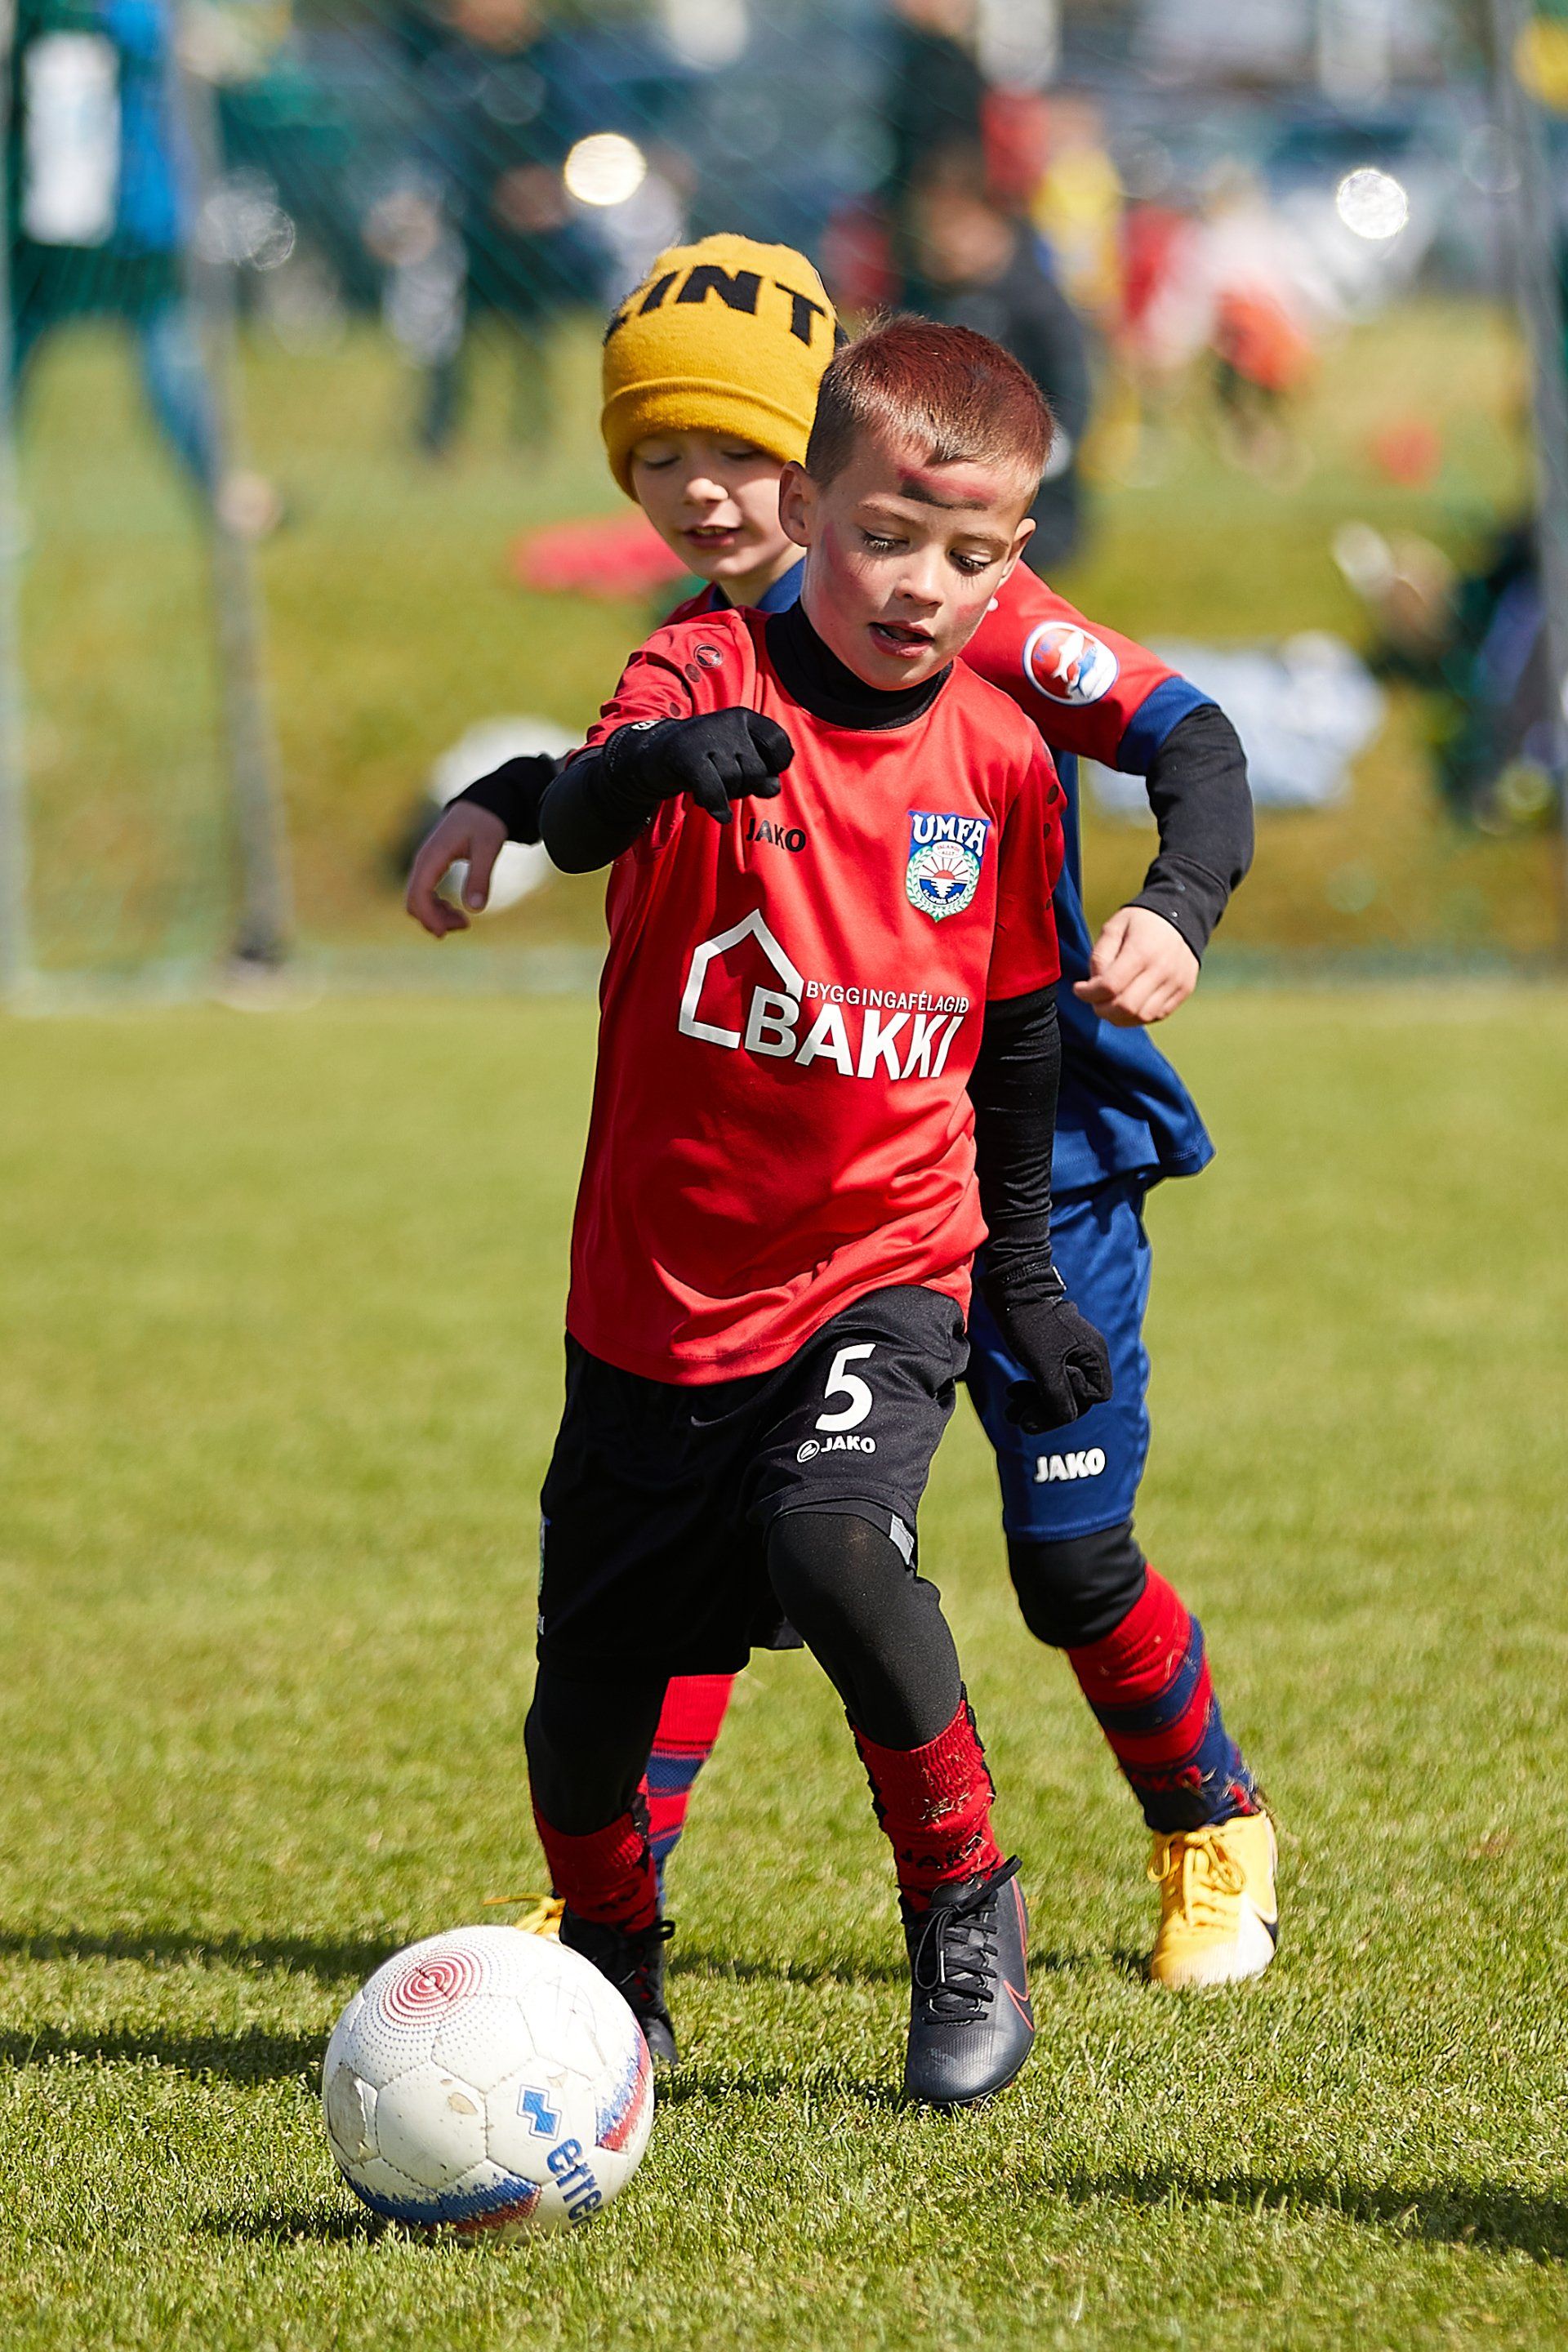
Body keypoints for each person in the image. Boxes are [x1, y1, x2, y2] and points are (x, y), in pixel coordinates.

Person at [409, 234, 1277, 1993]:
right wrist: (503, 799)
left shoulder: (967, 600)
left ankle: (1213, 1823)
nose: (701, 494)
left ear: (811, 459)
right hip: (844, 1195)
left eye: (736, 452)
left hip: (1041, 1165)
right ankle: (616, 1898)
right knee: (742, 1532)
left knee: (1068, 1560)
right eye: (658, 460)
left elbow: (1195, 745)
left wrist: (1176, 910)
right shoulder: (722, 641)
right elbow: (620, 771)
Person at [514, 319, 1112, 2106]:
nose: (923, 587)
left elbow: (1018, 1034)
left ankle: (965, 1907)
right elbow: (571, 818)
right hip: (660, 1292)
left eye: (972, 556)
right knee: (583, 1703)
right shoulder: (699, 666)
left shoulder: (1005, 762)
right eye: (885, 538)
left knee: (837, 1545)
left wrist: (1023, 1272)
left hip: (884, 1266)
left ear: (1013, 557)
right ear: (805, 509)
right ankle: (614, 1960)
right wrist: (654, 771)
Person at [909, 153, 1094, 572]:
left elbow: (1072, 386)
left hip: (1035, 501)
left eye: (953, 228)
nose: (939, 243)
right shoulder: (933, 298)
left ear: (995, 226)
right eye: (931, 229)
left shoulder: (1035, 304)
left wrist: (1045, 454)